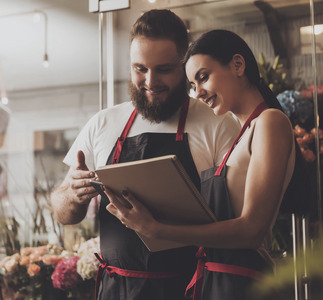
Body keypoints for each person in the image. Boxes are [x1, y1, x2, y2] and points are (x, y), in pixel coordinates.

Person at [50, 11, 240, 300]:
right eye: (140, 68)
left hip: (190, 287)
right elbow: (63, 213)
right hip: (116, 289)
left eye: (163, 69)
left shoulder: (217, 122)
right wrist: (72, 194)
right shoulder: (103, 123)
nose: (150, 81)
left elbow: (238, 221)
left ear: (184, 65)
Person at [104, 29, 301, 300]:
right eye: (193, 86)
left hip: (246, 287)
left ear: (238, 65)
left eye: (203, 77)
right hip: (218, 283)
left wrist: (157, 230)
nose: (198, 93)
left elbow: (252, 230)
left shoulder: (270, 122)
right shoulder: (240, 133)